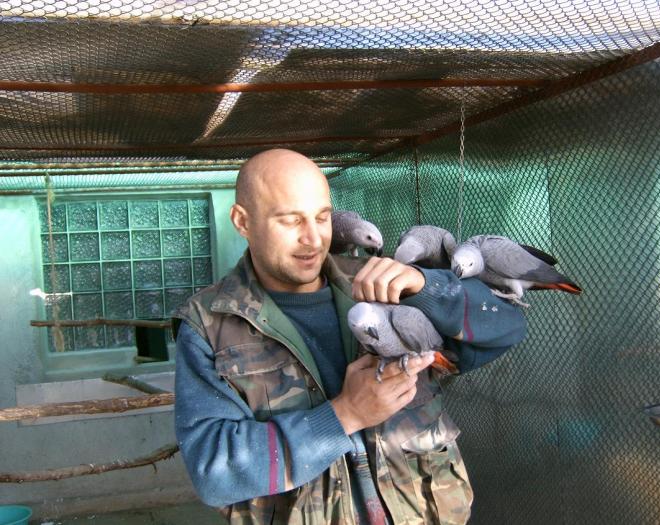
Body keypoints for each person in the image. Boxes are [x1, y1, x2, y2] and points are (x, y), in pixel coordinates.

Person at [173, 149, 527, 524]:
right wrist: (345, 415)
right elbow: (214, 471)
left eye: (322, 217)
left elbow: (508, 328)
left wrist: (430, 288)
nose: (312, 239)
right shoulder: (208, 324)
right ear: (242, 221)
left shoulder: (380, 280)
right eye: (291, 220)